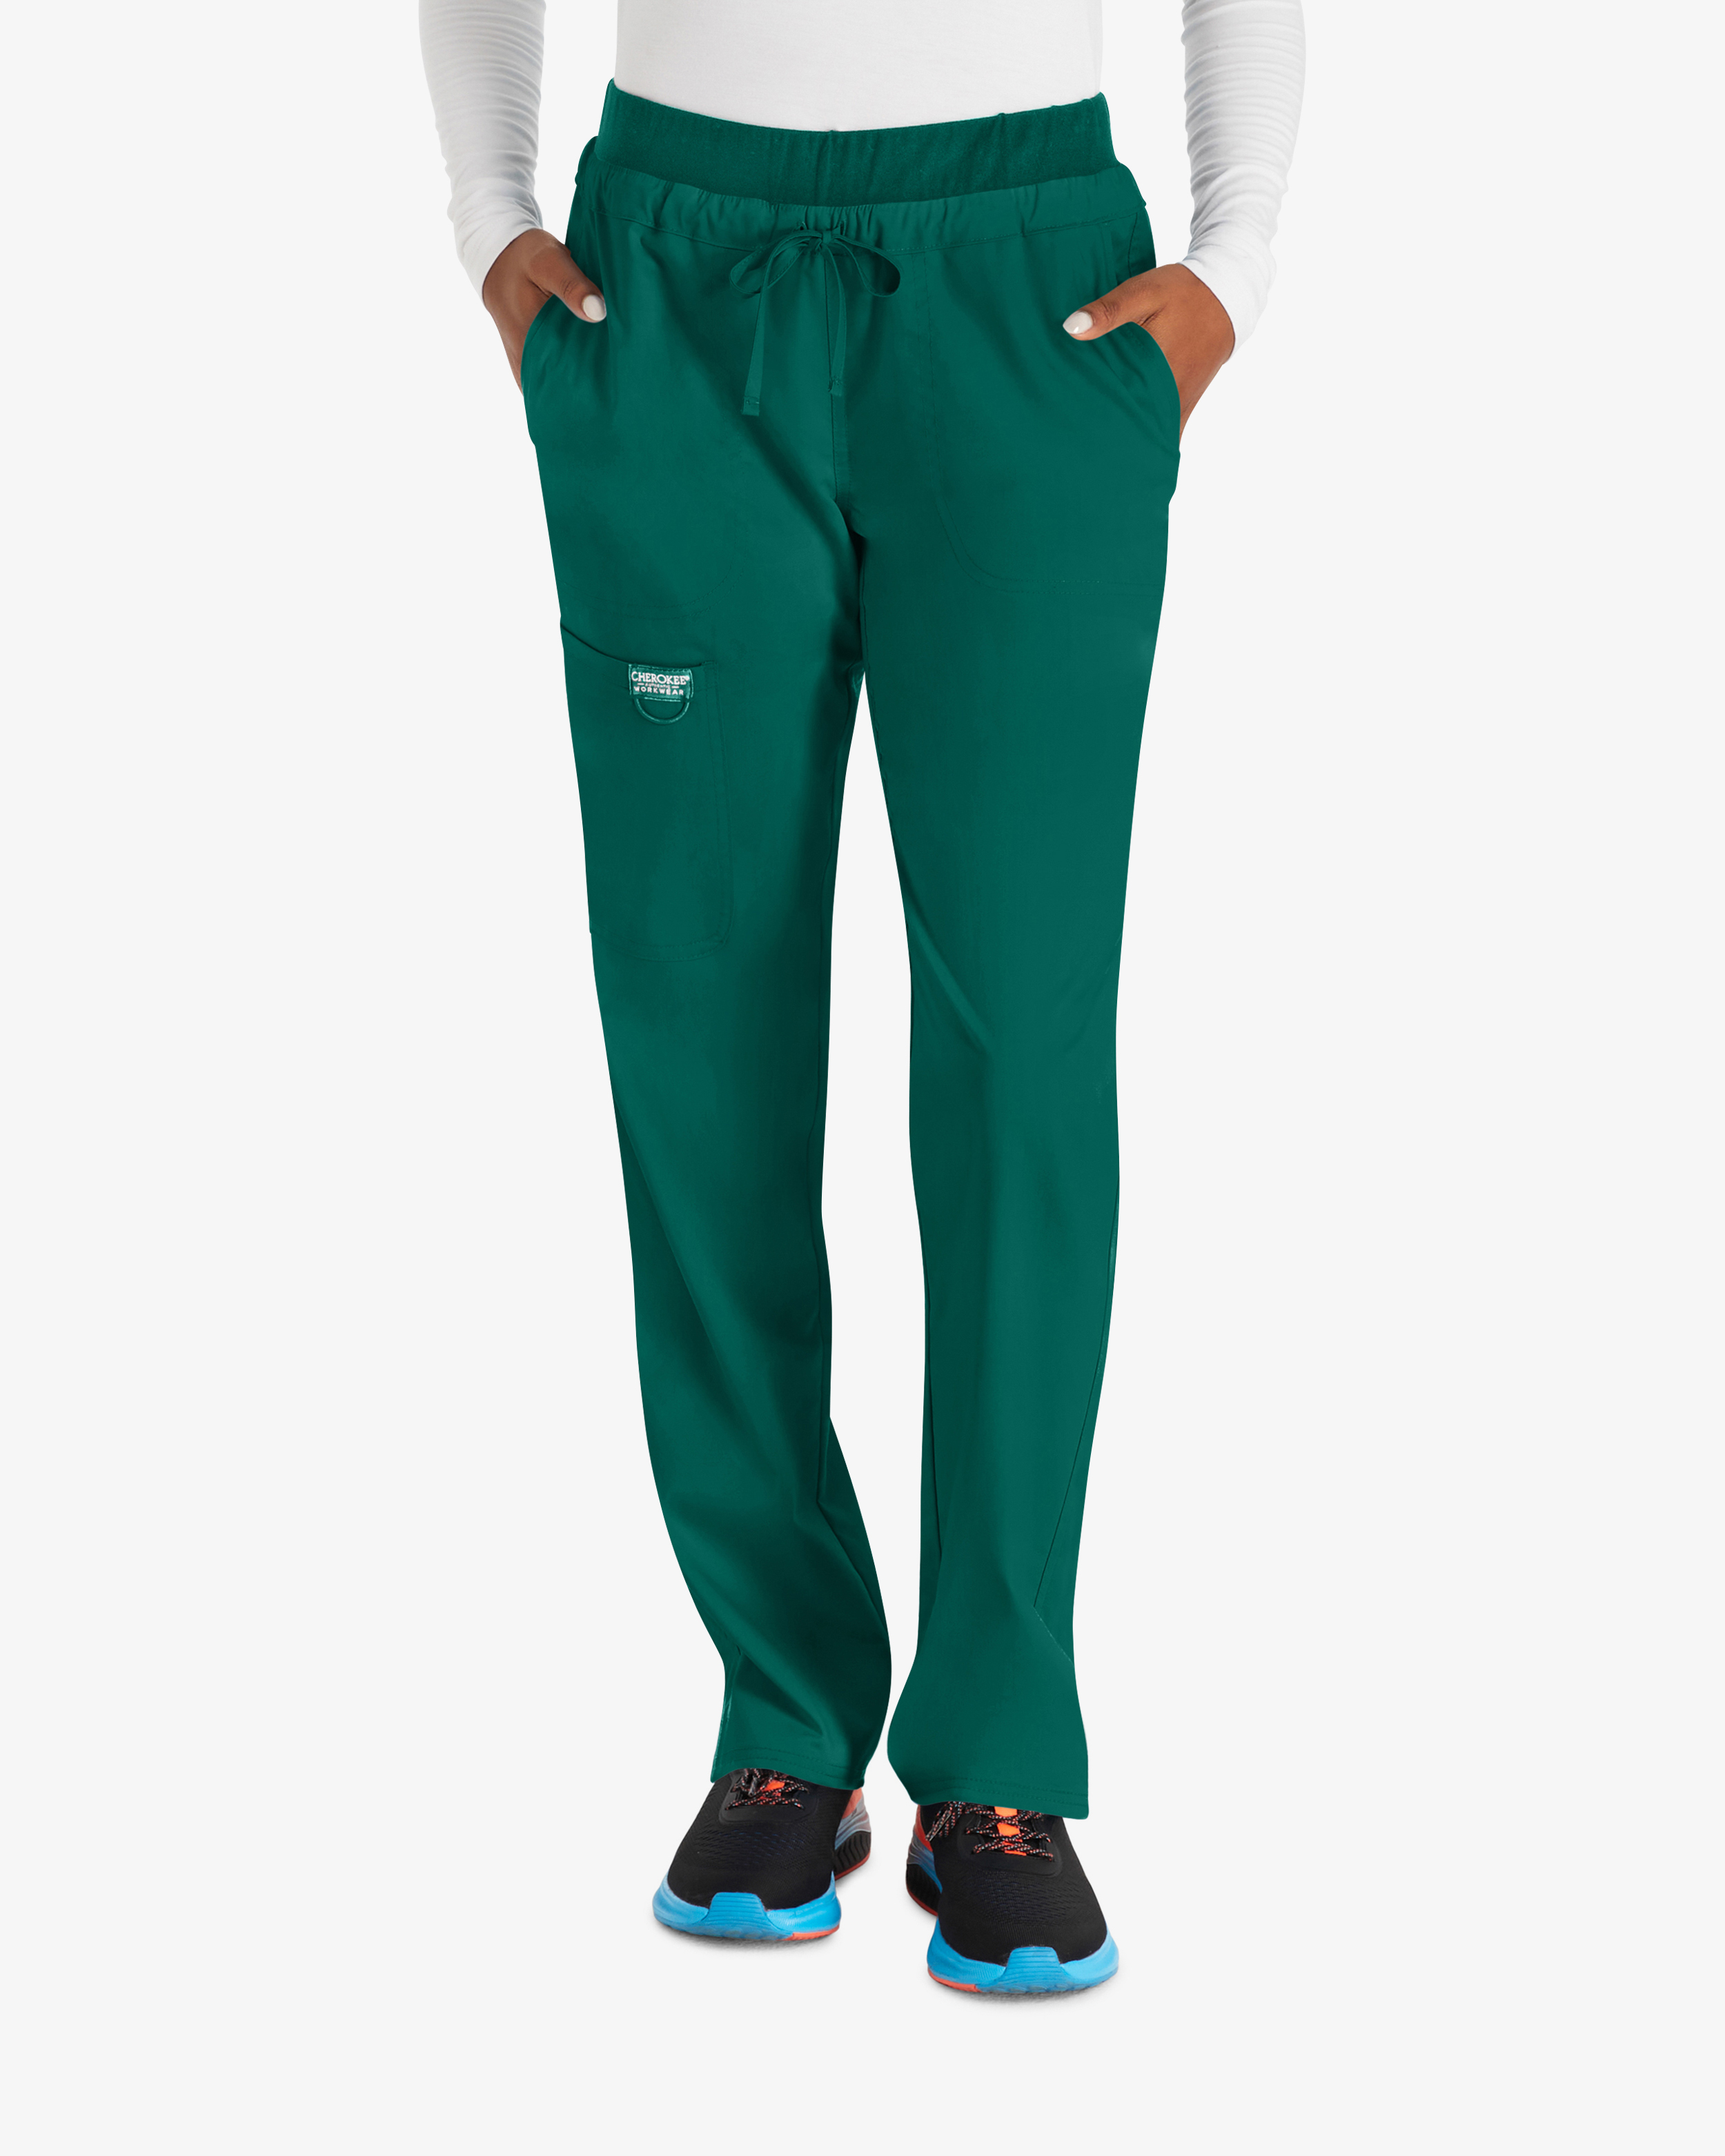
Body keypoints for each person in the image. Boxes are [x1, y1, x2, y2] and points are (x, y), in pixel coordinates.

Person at [420, 0, 1303, 1996]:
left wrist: (1233, 263)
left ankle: (999, 1761)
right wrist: (487, 215)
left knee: (1022, 1051)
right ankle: (782, 1713)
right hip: (668, 287)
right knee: (697, 1021)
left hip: (1031, 295)